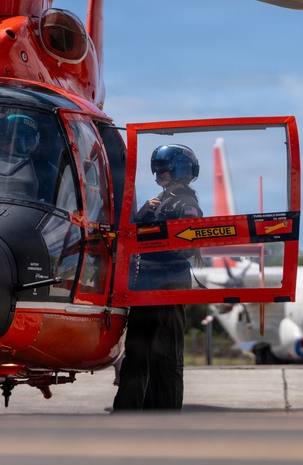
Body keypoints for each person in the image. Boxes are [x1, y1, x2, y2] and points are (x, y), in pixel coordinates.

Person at [112, 144, 202, 412]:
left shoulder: (186, 204)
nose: (159, 173)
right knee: (137, 354)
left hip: (168, 284)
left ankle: (163, 415)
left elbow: (186, 246)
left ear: (179, 171)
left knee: (166, 356)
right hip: (146, 286)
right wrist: (140, 217)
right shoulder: (159, 201)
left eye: (164, 169)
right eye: (158, 169)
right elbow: (130, 238)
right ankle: (129, 413)